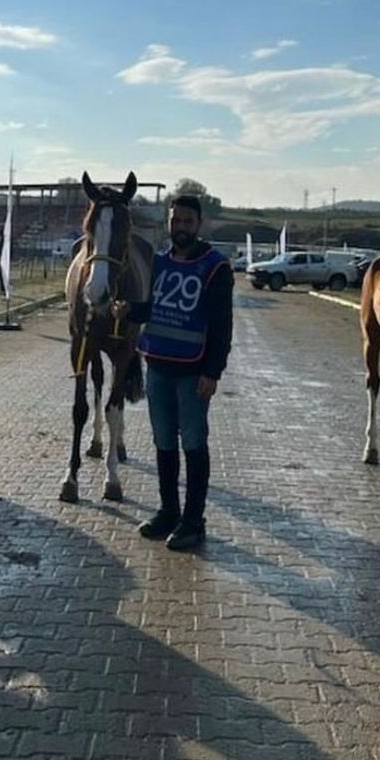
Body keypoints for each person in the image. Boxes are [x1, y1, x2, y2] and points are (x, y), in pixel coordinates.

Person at [119, 194, 233, 551]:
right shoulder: (160, 263)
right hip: (158, 368)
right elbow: (152, 307)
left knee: (194, 445)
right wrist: (128, 311)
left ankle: (193, 521)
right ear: (168, 224)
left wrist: (212, 371)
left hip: (193, 372)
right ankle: (168, 511)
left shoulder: (216, 267)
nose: (180, 227)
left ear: (199, 225)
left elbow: (222, 325)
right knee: (164, 444)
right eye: (175, 221)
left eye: (187, 221)